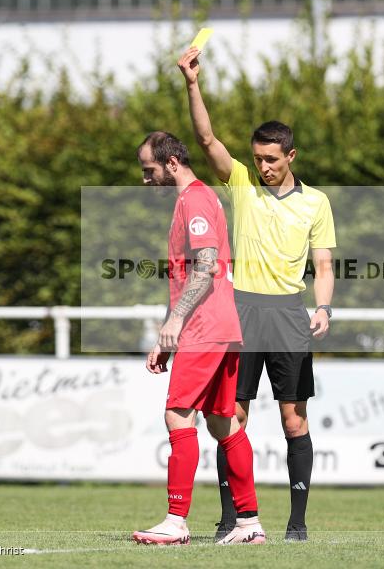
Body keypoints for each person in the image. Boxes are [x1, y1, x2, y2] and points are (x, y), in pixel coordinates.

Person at [177, 47, 336, 542]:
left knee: (294, 420)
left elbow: (324, 265)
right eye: (257, 158)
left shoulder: (316, 202)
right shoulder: (241, 183)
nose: (262, 167)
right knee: (229, 417)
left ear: (291, 156)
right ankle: (234, 520)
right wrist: (192, 84)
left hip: (288, 314)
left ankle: (297, 523)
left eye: (271, 159)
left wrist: (324, 306)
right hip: (239, 311)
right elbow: (205, 139)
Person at [132, 131, 266, 546]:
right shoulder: (196, 199)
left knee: (178, 414)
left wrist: (174, 323)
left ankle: (176, 521)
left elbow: (205, 265)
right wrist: (166, 337)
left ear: (171, 164)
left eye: (149, 170)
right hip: (222, 327)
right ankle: (248, 525)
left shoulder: (194, 199)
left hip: (205, 329)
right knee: (223, 424)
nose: (145, 179)